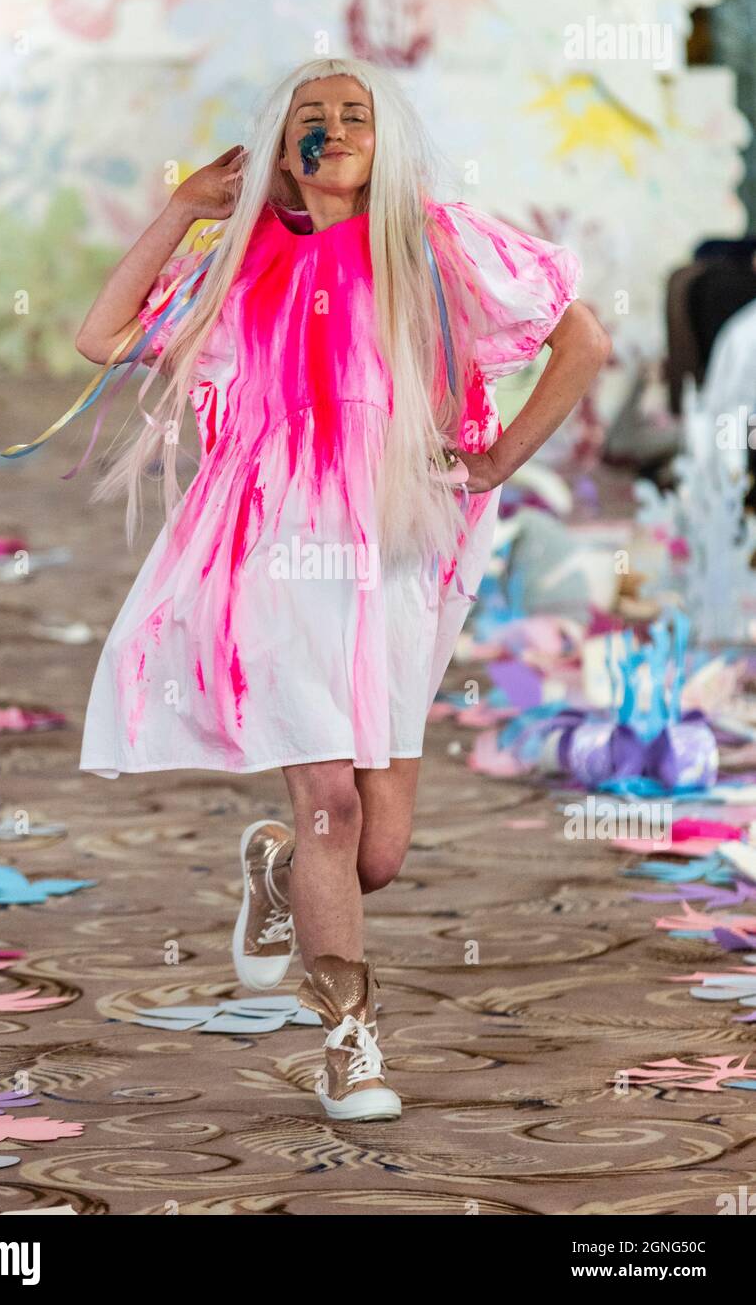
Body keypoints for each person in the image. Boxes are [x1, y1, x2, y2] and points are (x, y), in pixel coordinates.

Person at [71, 56, 610, 1122]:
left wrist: (498, 460)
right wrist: (183, 208)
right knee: (329, 799)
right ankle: (349, 1043)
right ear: (280, 145)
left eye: (353, 112)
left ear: (385, 135)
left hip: (403, 552)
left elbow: (583, 340)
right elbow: (101, 335)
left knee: (376, 853)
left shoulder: (435, 242)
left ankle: (277, 873)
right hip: (275, 549)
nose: (332, 128)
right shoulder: (240, 266)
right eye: (307, 116)